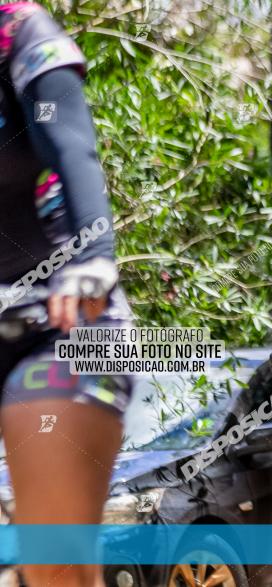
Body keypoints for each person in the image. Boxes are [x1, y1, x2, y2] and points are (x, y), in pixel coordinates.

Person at [0, 3, 134, 586]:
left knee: (55, 567)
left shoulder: (19, 32)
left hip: (64, 322)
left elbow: (70, 146)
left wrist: (93, 262)